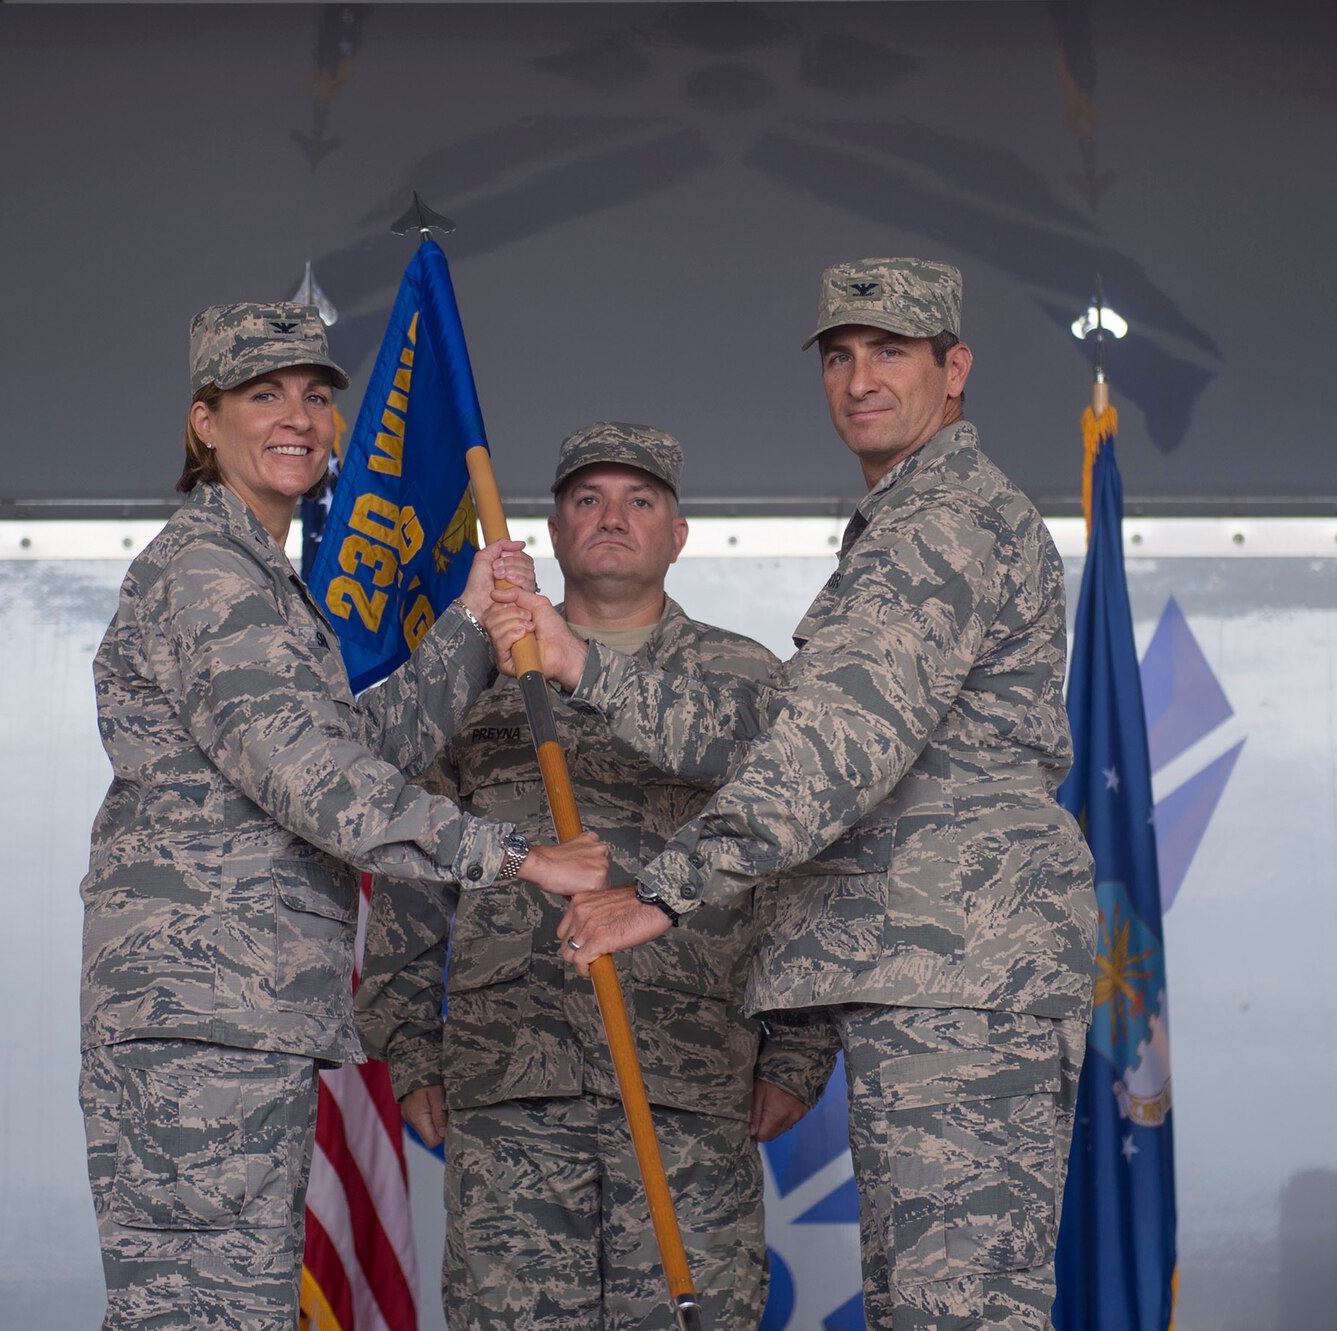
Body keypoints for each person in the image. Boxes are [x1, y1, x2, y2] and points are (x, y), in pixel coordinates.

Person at [489, 261, 1098, 1331]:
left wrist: (661, 892)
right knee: (923, 1304)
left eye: (890, 352)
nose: (859, 378)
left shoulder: (940, 522)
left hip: (956, 970)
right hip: (928, 972)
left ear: (953, 369)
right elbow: (775, 734)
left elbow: (828, 750)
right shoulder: (903, 518)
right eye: (839, 354)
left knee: (954, 1310)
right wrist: (582, 664)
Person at [79, 301, 607, 1331]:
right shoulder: (205, 571)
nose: (301, 417)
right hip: (202, 1019)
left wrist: (463, 620)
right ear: (204, 421)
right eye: (263, 393)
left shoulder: (262, 578)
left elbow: (360, 753)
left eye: (317, 395)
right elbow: (314, 780)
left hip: (237, 1020)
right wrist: (511, 855)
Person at [358, 422, 837, 1331]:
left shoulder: (750, 680)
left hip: (690, 1088)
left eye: (640, 499)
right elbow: (416, 871)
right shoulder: (475, 680)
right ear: (550, 528)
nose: (612, 517)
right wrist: (412, 1049)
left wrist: (800, 1052)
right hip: (511, 1084)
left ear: (680, 533)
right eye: (588, 499)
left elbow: (800, 867)